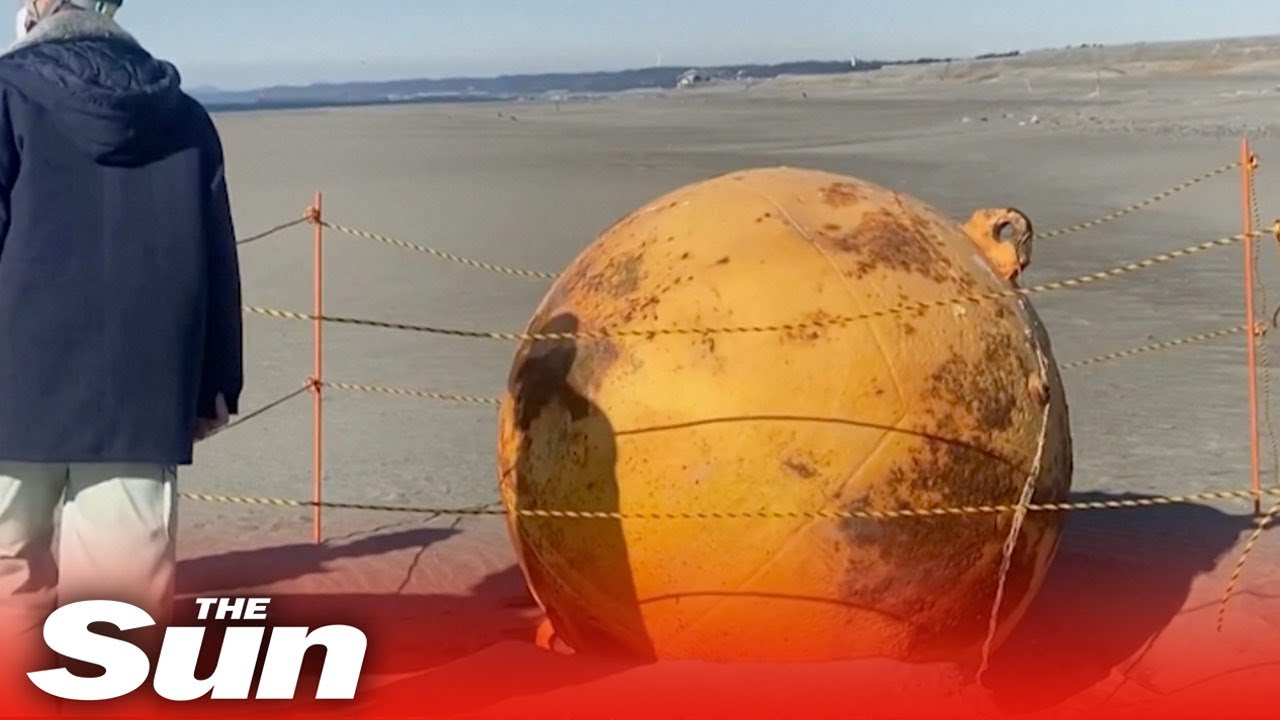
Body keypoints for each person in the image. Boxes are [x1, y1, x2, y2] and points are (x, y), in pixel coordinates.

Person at [0, 0, 243, 688]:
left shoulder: (5, 95)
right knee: (118, 602)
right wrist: (215, 383)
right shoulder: (185, 115)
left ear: (39, 9)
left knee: (8, 574)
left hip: (12, 382)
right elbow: (215, 259)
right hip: (143, 389)